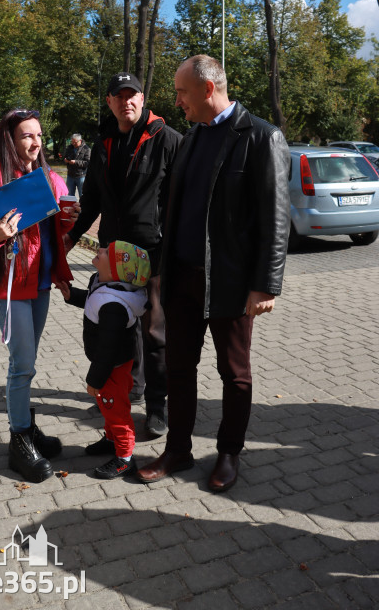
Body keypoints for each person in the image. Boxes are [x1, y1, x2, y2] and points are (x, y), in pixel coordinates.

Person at [136, 55, 290, 492]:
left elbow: (276, 218)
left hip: (231, 283)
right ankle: (178, 450)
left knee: (234, 372)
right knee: (179, 367)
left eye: (182, 91)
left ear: (207, 88)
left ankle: (228, 453)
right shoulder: (190, 139)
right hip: (181, 277)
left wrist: (265, 284)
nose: (177, 100)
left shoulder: (261, 136)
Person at [64, 72, 182, 437]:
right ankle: (129, 390)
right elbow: (92, 201)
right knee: (118, 327)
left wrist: (175, 251)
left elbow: (181, 203)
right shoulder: (102, 144)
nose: (126, 102)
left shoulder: (168, 140)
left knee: (155, 333)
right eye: (119, 96)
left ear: (143, 99)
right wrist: (70, 239)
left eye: (133, 95)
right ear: (110, 102)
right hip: (112, 254)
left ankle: (158, 405)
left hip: (153, 254)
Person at [0, 108, 77, 484]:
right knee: (22, 363)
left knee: (27, 361)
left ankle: (28, 429)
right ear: (10, 141)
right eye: (28, 136)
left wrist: (71, 216)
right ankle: (19, 441)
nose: (36, 142)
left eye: (40, 135)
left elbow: (56, 227)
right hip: (9, 286)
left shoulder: (48, 177)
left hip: (41, 282)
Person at [56, 241, 151, 479]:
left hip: (111, 368)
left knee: (116, 412)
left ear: (117, 270)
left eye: (106, 252)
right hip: (113, 365)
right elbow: (92, 301)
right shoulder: (108, 286)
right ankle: (111, 441)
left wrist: (95, 380)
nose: (99, 250)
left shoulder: (113, 306)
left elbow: (108, 348)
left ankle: (125, 458)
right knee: (110, 409)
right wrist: (72, 295)